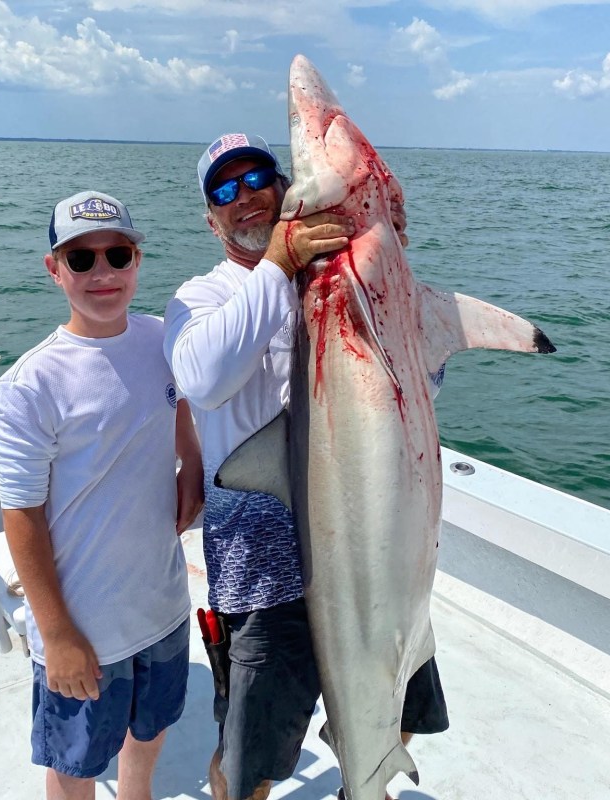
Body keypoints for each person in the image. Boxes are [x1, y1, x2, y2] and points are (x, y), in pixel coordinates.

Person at [163, 135, 448, 800]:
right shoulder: (200, 297)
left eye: (259, 176)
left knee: (397, 710)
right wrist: (277, 264)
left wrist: (391, 278)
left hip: (369, 562)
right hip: (262, 574)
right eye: (224, 191)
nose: (245, 195)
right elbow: (203, 379)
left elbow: (409, 398)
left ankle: (364, 784)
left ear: (286, 186)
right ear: (211, 219)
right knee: (247, 760)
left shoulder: (335, 278)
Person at [0, 190, 204, 800]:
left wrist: (190, 459)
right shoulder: (30, 384)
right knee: (74, 765)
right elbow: (21, 514)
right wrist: (57, 635)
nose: (102, 272)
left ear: (138, 259)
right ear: (54, 269)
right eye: (80, 260)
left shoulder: (164, 338)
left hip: (162, 605)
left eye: (117, 254)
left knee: (151, 727)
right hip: (85, 626)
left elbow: (182, 396)